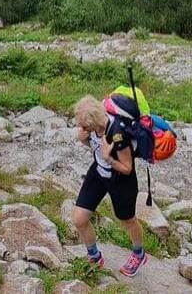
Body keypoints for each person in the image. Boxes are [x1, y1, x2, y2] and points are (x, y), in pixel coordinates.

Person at [71, 95, 148, 277]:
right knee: (79, 219)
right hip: (98, 172)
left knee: (127, 219)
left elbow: (127, 168)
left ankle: (139, 253)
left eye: (84, 126)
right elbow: (95, 146)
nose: (81, 129)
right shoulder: (93, 129)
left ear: (95, 122)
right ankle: (94, 256)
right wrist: (83, 139)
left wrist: (108, 158)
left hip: (121, 178)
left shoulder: (118, 133)